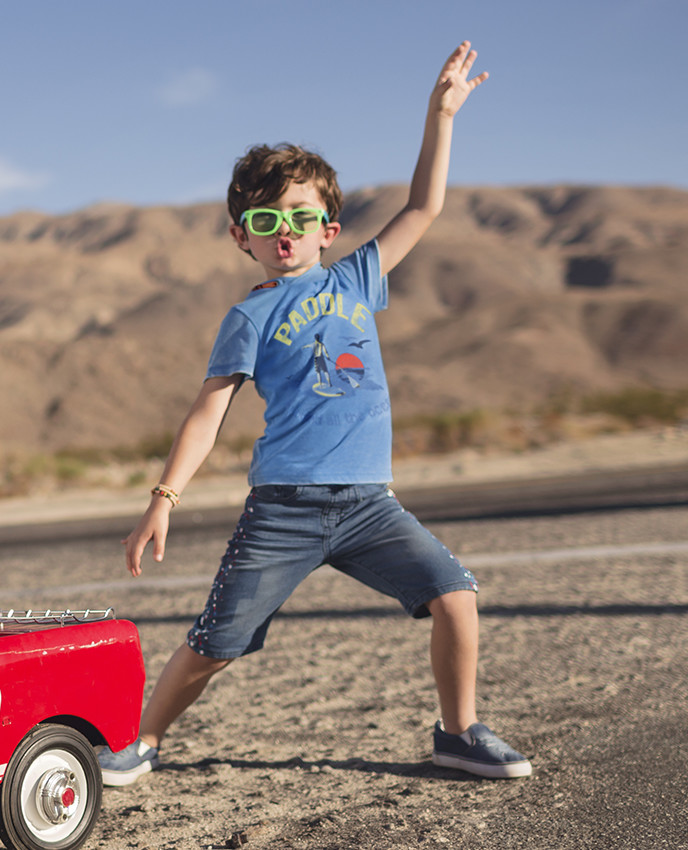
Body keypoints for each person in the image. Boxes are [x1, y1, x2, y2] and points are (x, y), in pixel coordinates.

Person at [99, 41, 531, 787]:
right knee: (214, 644)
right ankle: (138, 742)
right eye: (266, 219)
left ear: (330, 227)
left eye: (302, 216)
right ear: (244, 237)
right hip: (284, 509)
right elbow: (207, 413)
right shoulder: (250, 315)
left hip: (369, 506)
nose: (285, 230)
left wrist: (441, 115)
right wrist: (163, 499)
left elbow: (425, 205)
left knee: (456, 595)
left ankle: (457, 733)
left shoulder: (359, 277)